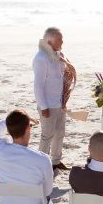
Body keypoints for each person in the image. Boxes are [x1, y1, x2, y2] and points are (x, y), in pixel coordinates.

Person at [33, 27, 77, 172]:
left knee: (60, 133)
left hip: (60, 103)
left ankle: (55, 161)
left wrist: (65, 98)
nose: (62, 42)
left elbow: (63, 76)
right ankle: (41, 165)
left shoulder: (59, 55)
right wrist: (43, 107)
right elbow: (38, 86)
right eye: (59, 39)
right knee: (47, 136)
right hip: (48, 105)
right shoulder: (41, 58)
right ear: (50, 41)